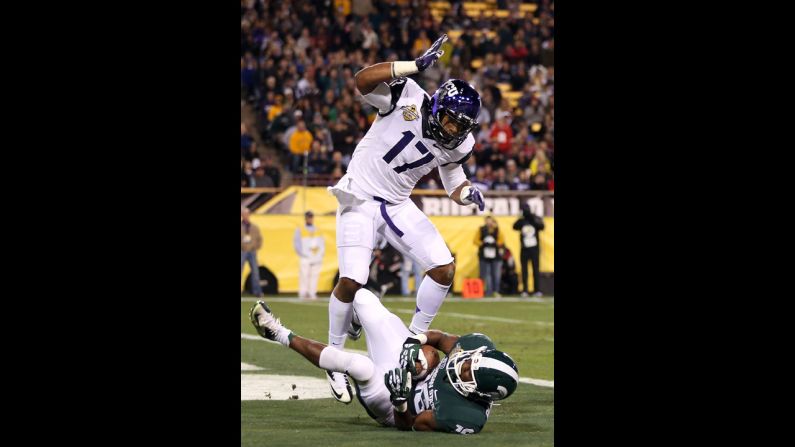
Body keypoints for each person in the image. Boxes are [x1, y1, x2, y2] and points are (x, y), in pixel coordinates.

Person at [324, 33, 487, 403]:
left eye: (459, 126)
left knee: (444, 267)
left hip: (397, 203)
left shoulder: (460, 143)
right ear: (437, 107)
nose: (451, 130)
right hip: (360, 194)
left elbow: (452, 177)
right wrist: (412, 66)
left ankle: (413, 339)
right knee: (353, 279)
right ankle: (334, 358)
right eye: (448, 121)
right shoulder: (408, 96)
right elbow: (362, 80)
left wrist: (465, 193)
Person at [249, 290, 519, 434]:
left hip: (394, 404)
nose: (461, 365)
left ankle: (278, 333)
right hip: (414, 370)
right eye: (468, 362)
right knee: (364, 298)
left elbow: (409, 425)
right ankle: (356, 322)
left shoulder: (465, 417)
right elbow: (439, 339)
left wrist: (400, 401)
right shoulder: (476, 345)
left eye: (466, 373)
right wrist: (417, 341)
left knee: (361, 367)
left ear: (479, 393)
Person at [512, 204, 546, 297]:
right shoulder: (522, 220)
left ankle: (537, 290)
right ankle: (525, 290)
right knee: (524, 270)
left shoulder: (534, 219)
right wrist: (521, 218)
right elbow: (514, 226)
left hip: (534, 249)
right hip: (524, 249)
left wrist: (533, 218)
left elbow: (542, 226)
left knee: (535, 270)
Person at [294, 211, 325, 300]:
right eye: (308, 217)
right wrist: (302, 254)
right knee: (304, 275)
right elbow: (296, 243)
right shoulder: (300, 229)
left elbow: (322, 243)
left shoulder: (318, 229)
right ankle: (303, 293)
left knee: (314, 276)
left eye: (311, 217)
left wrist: (320, 254)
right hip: (305, 257)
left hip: (316, 257)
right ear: (305, 218)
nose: (310, 219)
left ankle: (312, 293)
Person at [474, 215, 505, 297]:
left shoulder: (497, 230)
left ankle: (496, 291)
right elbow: (475, 240)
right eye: (487, 221)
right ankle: (489, 291)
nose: (489, 222)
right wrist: (483, 243)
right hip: (484, 255)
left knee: (496, 274)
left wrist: (495, 244)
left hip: (496, 255)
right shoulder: (481, 229)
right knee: (487, 274)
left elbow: (501, 241)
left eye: (490, 220)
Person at [241, 207, 264, 297]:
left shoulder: (254, 227)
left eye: (247, 214)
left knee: (255, 271)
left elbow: (259, 239)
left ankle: (257, 291)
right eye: (244, 214)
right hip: (242, 251)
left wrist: (255, 247)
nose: (246, 216)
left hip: (252, 251)